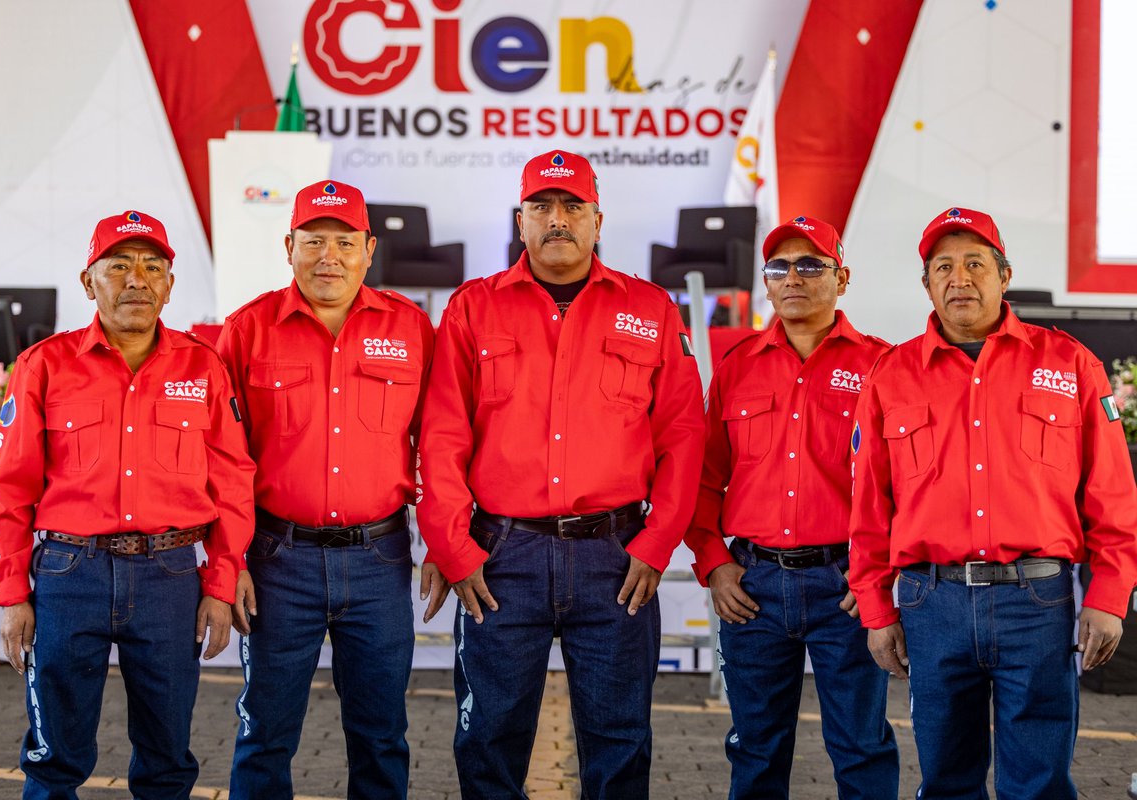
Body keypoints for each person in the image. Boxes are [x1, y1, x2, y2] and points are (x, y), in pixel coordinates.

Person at [417, 149, 705, 798]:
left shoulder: (651, 309)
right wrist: (453, 547)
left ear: (598, 221)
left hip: (616, 558)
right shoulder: (471, 309)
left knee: (620, 742)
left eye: (573, 206)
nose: (558, 219)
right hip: (500, 557)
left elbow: (685, 437)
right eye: (541, 207)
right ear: (519, 222)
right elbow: (441, 438)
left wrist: (658, 544)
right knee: (487, 738)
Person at [849, 206, 1137, 798]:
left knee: (1038, 781)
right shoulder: (891, 374)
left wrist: (1109, 595)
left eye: (976, 263)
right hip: (933, 602)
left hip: (1038, 600)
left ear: (1004, 276)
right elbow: (870, 508)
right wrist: (876, 610)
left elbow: (1111, 493)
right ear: (926, 284)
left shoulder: (1069, 363)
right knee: (947, 779)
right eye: (944, 266)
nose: (961, 278)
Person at [0, 210, 255, 798]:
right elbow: (9, 485)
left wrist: (220, 584)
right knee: (54, 755)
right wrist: (12, 591)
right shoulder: (44, 365)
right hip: (66, 575)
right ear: (89, 281)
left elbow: (233, 482)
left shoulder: (203, 368)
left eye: (153, 266)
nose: (137, 279)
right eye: (120, 265)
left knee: (166, 760)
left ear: (170, 284)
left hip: (171, 576)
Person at [220, 179, 437, 800]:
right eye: (314, 241)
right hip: (276, 559)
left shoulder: (411, 329)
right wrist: (228, 559)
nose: (329, 256)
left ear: (370, 249)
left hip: (379, 560)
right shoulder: (246, 331)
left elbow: (442, 446)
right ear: (288, 246)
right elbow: (224, 459)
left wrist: (447, 545)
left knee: (381, 734)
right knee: (264, 731)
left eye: (345, 242)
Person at [685, 215, 898, 798]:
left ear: (842, 277)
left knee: (861, 747)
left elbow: (906, 484)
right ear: (766, 282)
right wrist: (713, 562)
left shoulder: (884, 366)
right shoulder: (737, 367)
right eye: (779, 267)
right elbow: (702, 481)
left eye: (811, 265)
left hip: (846, 588)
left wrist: (876, 573)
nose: (794, 278)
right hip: (753, 586)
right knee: (755, 749)